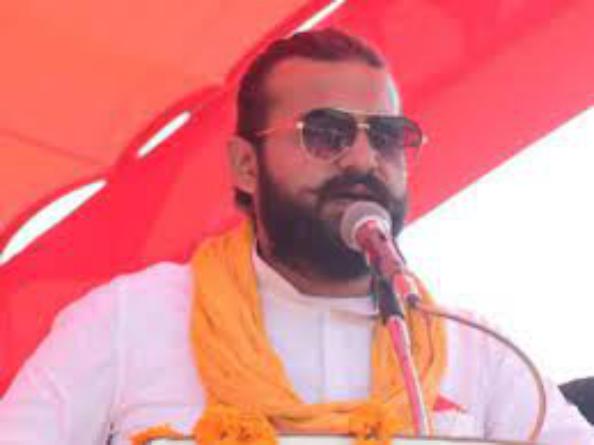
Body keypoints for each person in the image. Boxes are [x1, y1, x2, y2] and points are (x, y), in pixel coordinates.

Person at [0, 28, 592, 445]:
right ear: (245, 165)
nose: (362, 158)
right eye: (326, 134)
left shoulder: (473, 350)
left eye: (386, 137)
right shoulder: (130, 320)